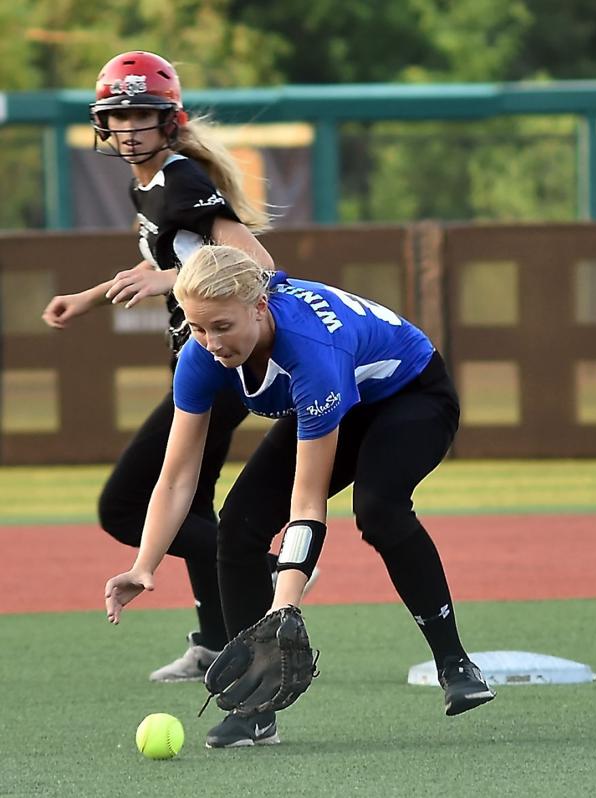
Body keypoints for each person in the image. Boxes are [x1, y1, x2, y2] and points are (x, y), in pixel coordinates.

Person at [102, 244, 495, 748]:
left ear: (259, 306)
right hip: (339, 402)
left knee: (379, 509)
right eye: (198, 327)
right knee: (239, 523)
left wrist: (284, 607)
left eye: (222, 326)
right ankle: (253, 710)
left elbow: (307, 506)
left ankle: (456, 664)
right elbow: (177, 478)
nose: (210, 341)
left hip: (410, 396)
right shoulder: (200, 357)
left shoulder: (310, 353)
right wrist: (144, 564)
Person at [41, 51, 289, 683]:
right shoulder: (145, 183)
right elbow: (155, 268)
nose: (126, 128)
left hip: (223, 365)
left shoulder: (179, 181)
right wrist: (91, 298)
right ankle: (214, 640)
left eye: (140, 115)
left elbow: (257, 266)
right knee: (195, 504)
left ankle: (254, 569)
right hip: (196, 362)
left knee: (124, 507)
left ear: (168, 120)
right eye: (115, 115)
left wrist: (166, 280)